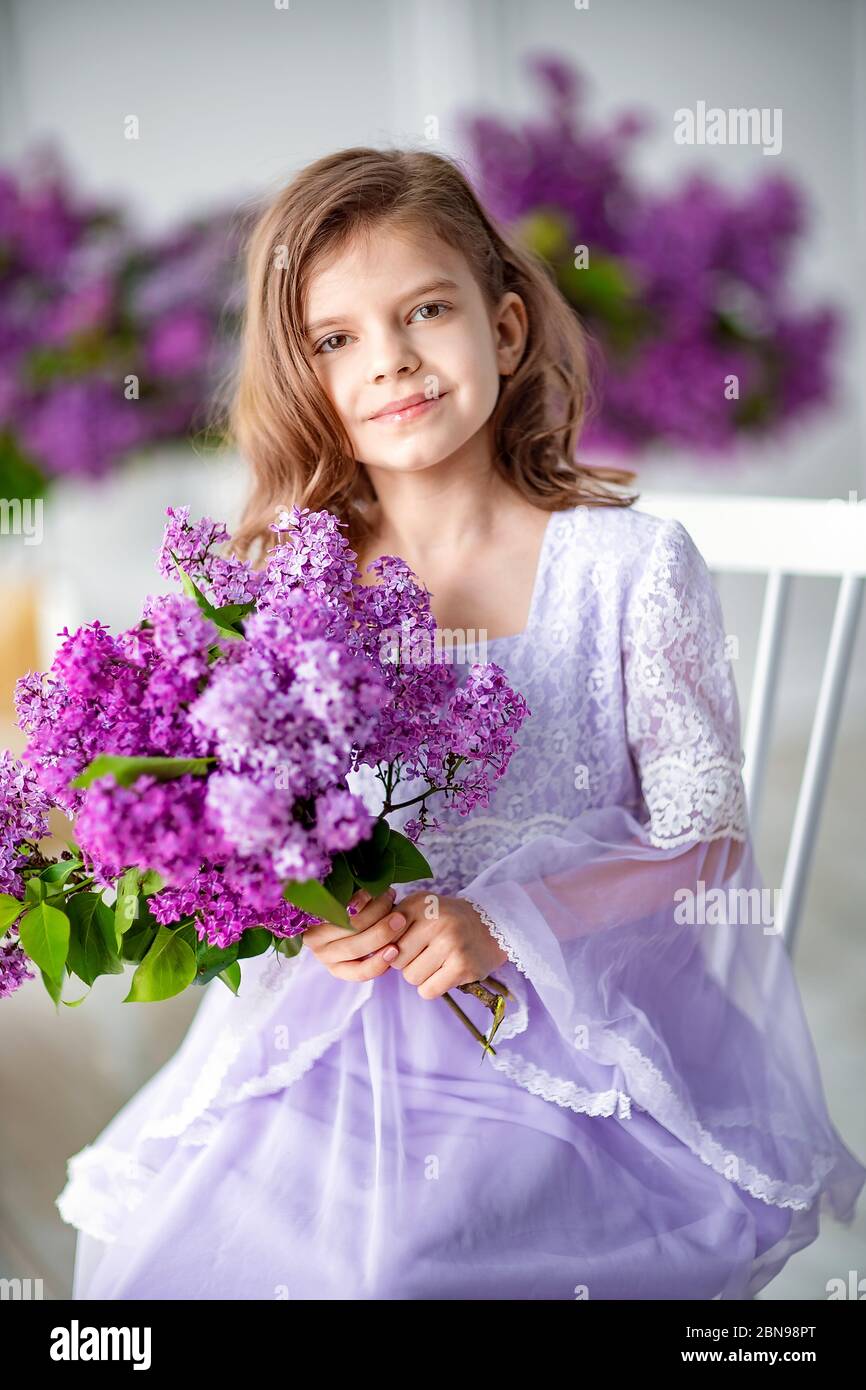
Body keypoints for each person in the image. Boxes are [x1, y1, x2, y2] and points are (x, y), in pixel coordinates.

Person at [57, 146, 865, 1300]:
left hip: (554, 1051)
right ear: (305, 378)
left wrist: (507, 916)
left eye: (423, 310)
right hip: (323, 1051)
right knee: (184, 1263)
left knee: (406, 1270)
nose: (388, 360)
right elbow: (239, 833)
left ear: (504, 328)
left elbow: (707, 839)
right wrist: (304, 918)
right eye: (335, 339)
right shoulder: (289, 585)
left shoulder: (625, 568)